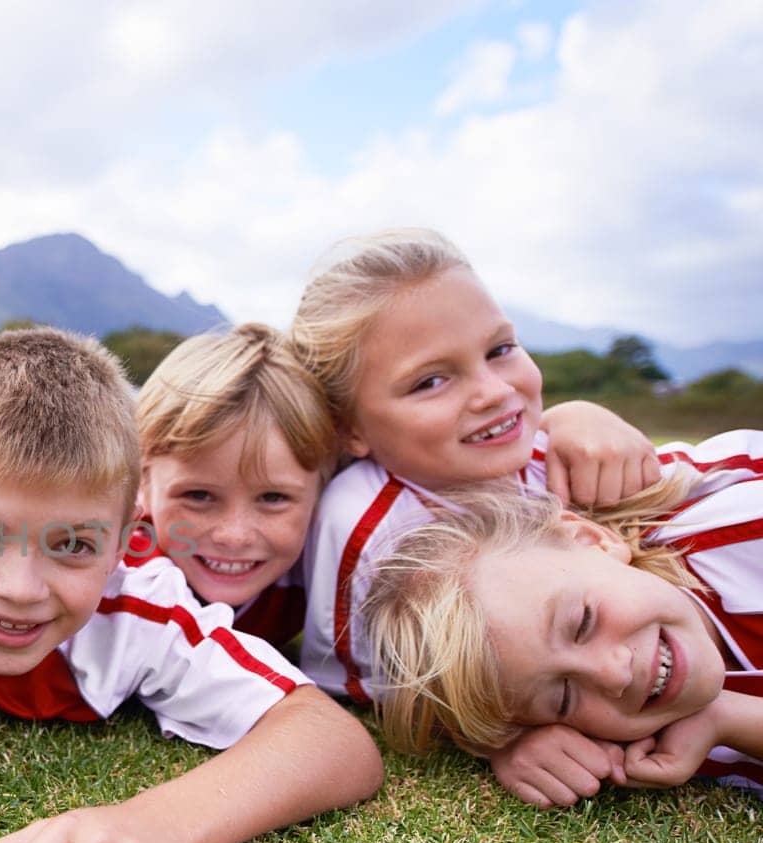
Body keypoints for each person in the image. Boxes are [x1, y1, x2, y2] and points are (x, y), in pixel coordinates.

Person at [0, 328, 380, 843]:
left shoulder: (137, 612)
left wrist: (163, 825)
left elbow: (335, 741)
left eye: (72, 545)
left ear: (128, 537)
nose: (19, 587)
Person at [288, 227, 670, 799]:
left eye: (500, 350)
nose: (493, 391)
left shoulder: (558, 451)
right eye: (431, 380)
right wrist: (502, 735)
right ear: (350, 428)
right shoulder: (366, 526)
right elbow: (365, 683)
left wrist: (582, 413)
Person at [359, 431, 763, 801]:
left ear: (593, 541)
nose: (614, 673)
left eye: (583, 622)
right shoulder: (641, 739)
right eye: (564, 697)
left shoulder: (745, 530)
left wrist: (731, 718)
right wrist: (510, 744)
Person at [126, 323, 334, 647]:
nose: (233, 536)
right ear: (143, 484)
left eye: (273, 498)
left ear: (323, 492)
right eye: (198, 495)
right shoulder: (117, 573)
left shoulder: (326, 568)